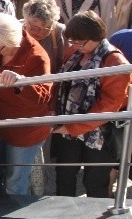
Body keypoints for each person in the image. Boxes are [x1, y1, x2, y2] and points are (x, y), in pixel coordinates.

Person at [0, 14, 52, 195]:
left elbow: (43, 97)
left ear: (13, 41)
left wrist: (21, 84)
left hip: (24, 128)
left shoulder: (36, 57)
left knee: (16, 180)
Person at [53, 11, 131, 198]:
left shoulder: (114, 61)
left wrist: (73, 127)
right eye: (73, 41)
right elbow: (59, 84)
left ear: (96, 36)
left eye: (81, 42)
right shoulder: (73, 52)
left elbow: (110, 104)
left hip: (99, 135)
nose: (76, 46)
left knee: (95, 182)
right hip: (68, 128)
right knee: (64, 176)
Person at [22, 0, 67, 72]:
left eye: (47, 28)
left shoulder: (58, 32)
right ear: (25, 21)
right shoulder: (15, 32)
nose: (40, 32)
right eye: (35, 27)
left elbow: (66, 63)